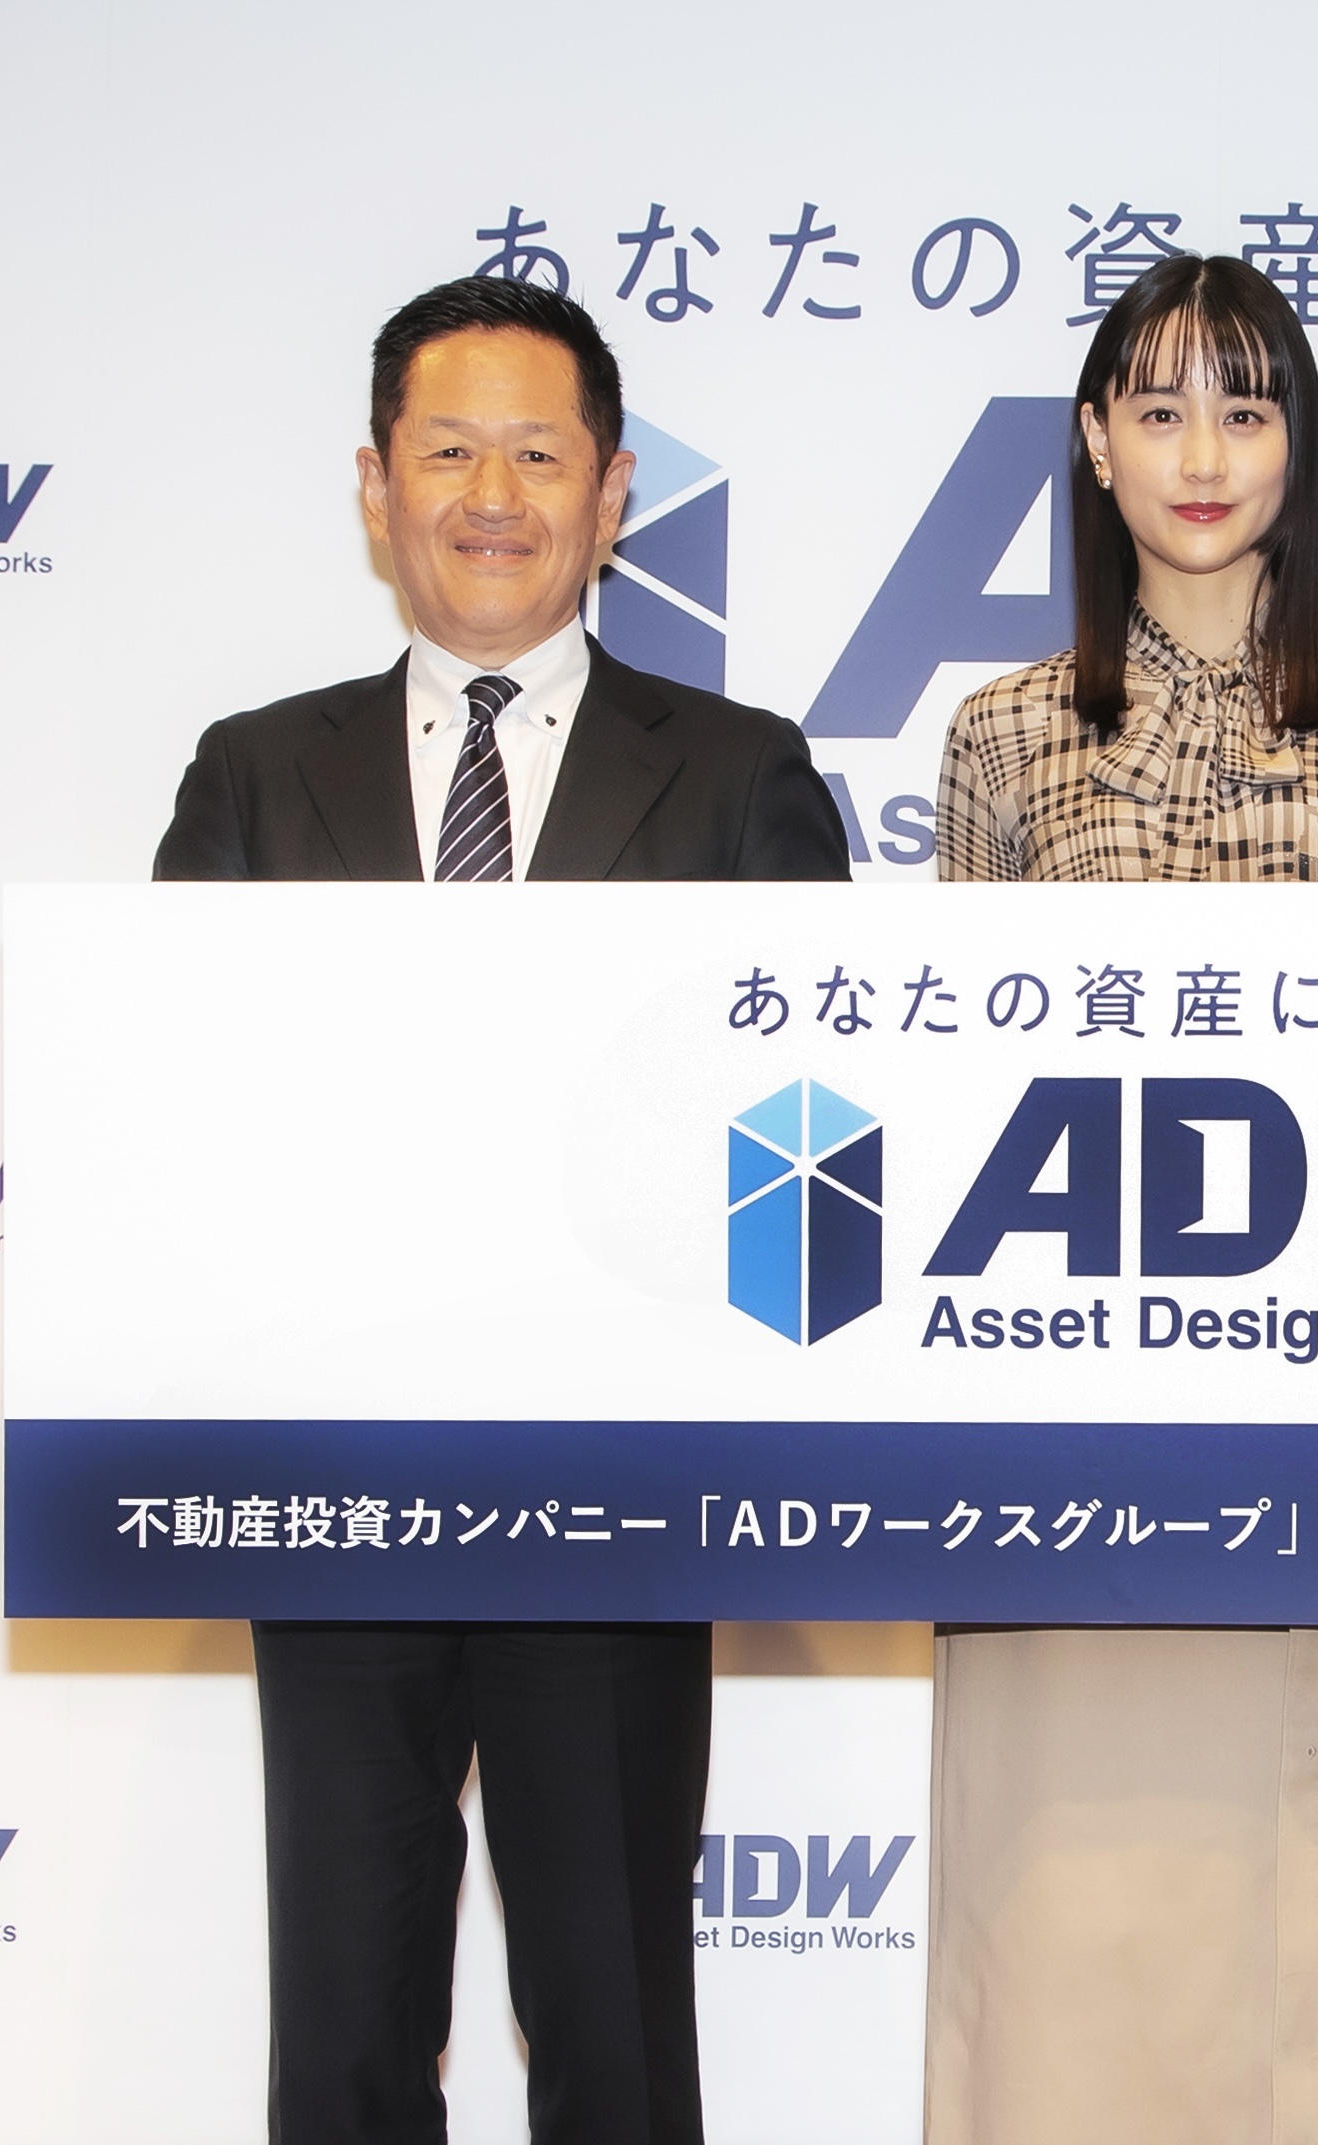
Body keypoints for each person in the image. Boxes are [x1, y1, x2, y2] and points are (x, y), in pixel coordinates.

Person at [154, 275, 849, 2145]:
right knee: (342, 2043)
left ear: (612, 493)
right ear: (374, 485)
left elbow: (810, 1127)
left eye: (538, 455)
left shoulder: (741, 776)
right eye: (448, 450)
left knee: (615, 2043)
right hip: (333, 1482)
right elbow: (174, 1116)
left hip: (615, 1499)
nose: (491, 496)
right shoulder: (252, 773)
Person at [925, 253, 1318, 2145]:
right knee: (1060, 1919)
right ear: (1096, 443)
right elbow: (958, 1091)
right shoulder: (1002, 732)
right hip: (1059, 1421)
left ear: (1298, 447)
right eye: (1159, 409)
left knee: (1314, 1943)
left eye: (1245, 410)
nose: (1201, 454)